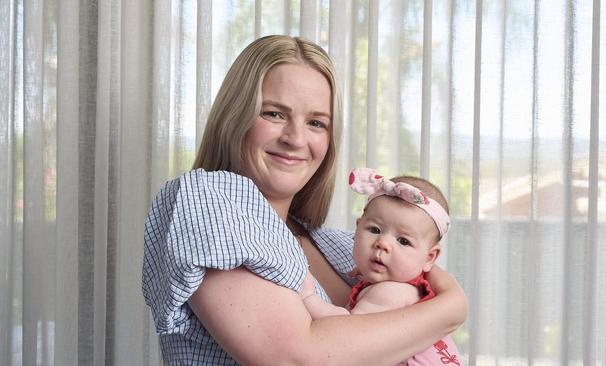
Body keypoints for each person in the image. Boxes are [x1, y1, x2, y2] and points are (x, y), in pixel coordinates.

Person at [142, 35, 467, 365]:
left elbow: (423, 264)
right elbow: (298, 359)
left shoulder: (339, 245)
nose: (295, 139)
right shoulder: (208, 199)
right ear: (235, 116)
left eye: (315, 122)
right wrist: (451, 308)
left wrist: (447, 298)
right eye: (274, 114)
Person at [301, 167, 461, 365]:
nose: (383, 243)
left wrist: (309, 298)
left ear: (429, 258)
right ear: (358, 227)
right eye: (375, 230)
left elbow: (346, 331)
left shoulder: (389, 293)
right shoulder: (403, 287)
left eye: (403, 241)